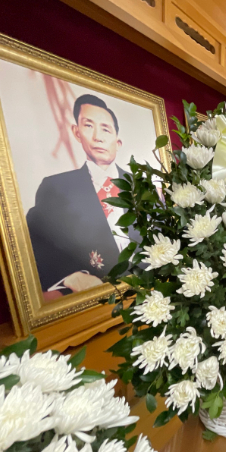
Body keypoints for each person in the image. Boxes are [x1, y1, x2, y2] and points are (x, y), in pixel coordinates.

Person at [26, 94, 138, 301]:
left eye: (106, 129)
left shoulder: (141, 185)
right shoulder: (56, 187)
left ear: (118, 141)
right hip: (98, 301)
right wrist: (72, 276)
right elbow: (35, 239)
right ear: (77, 132)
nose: (98, 137)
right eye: (88, 126)